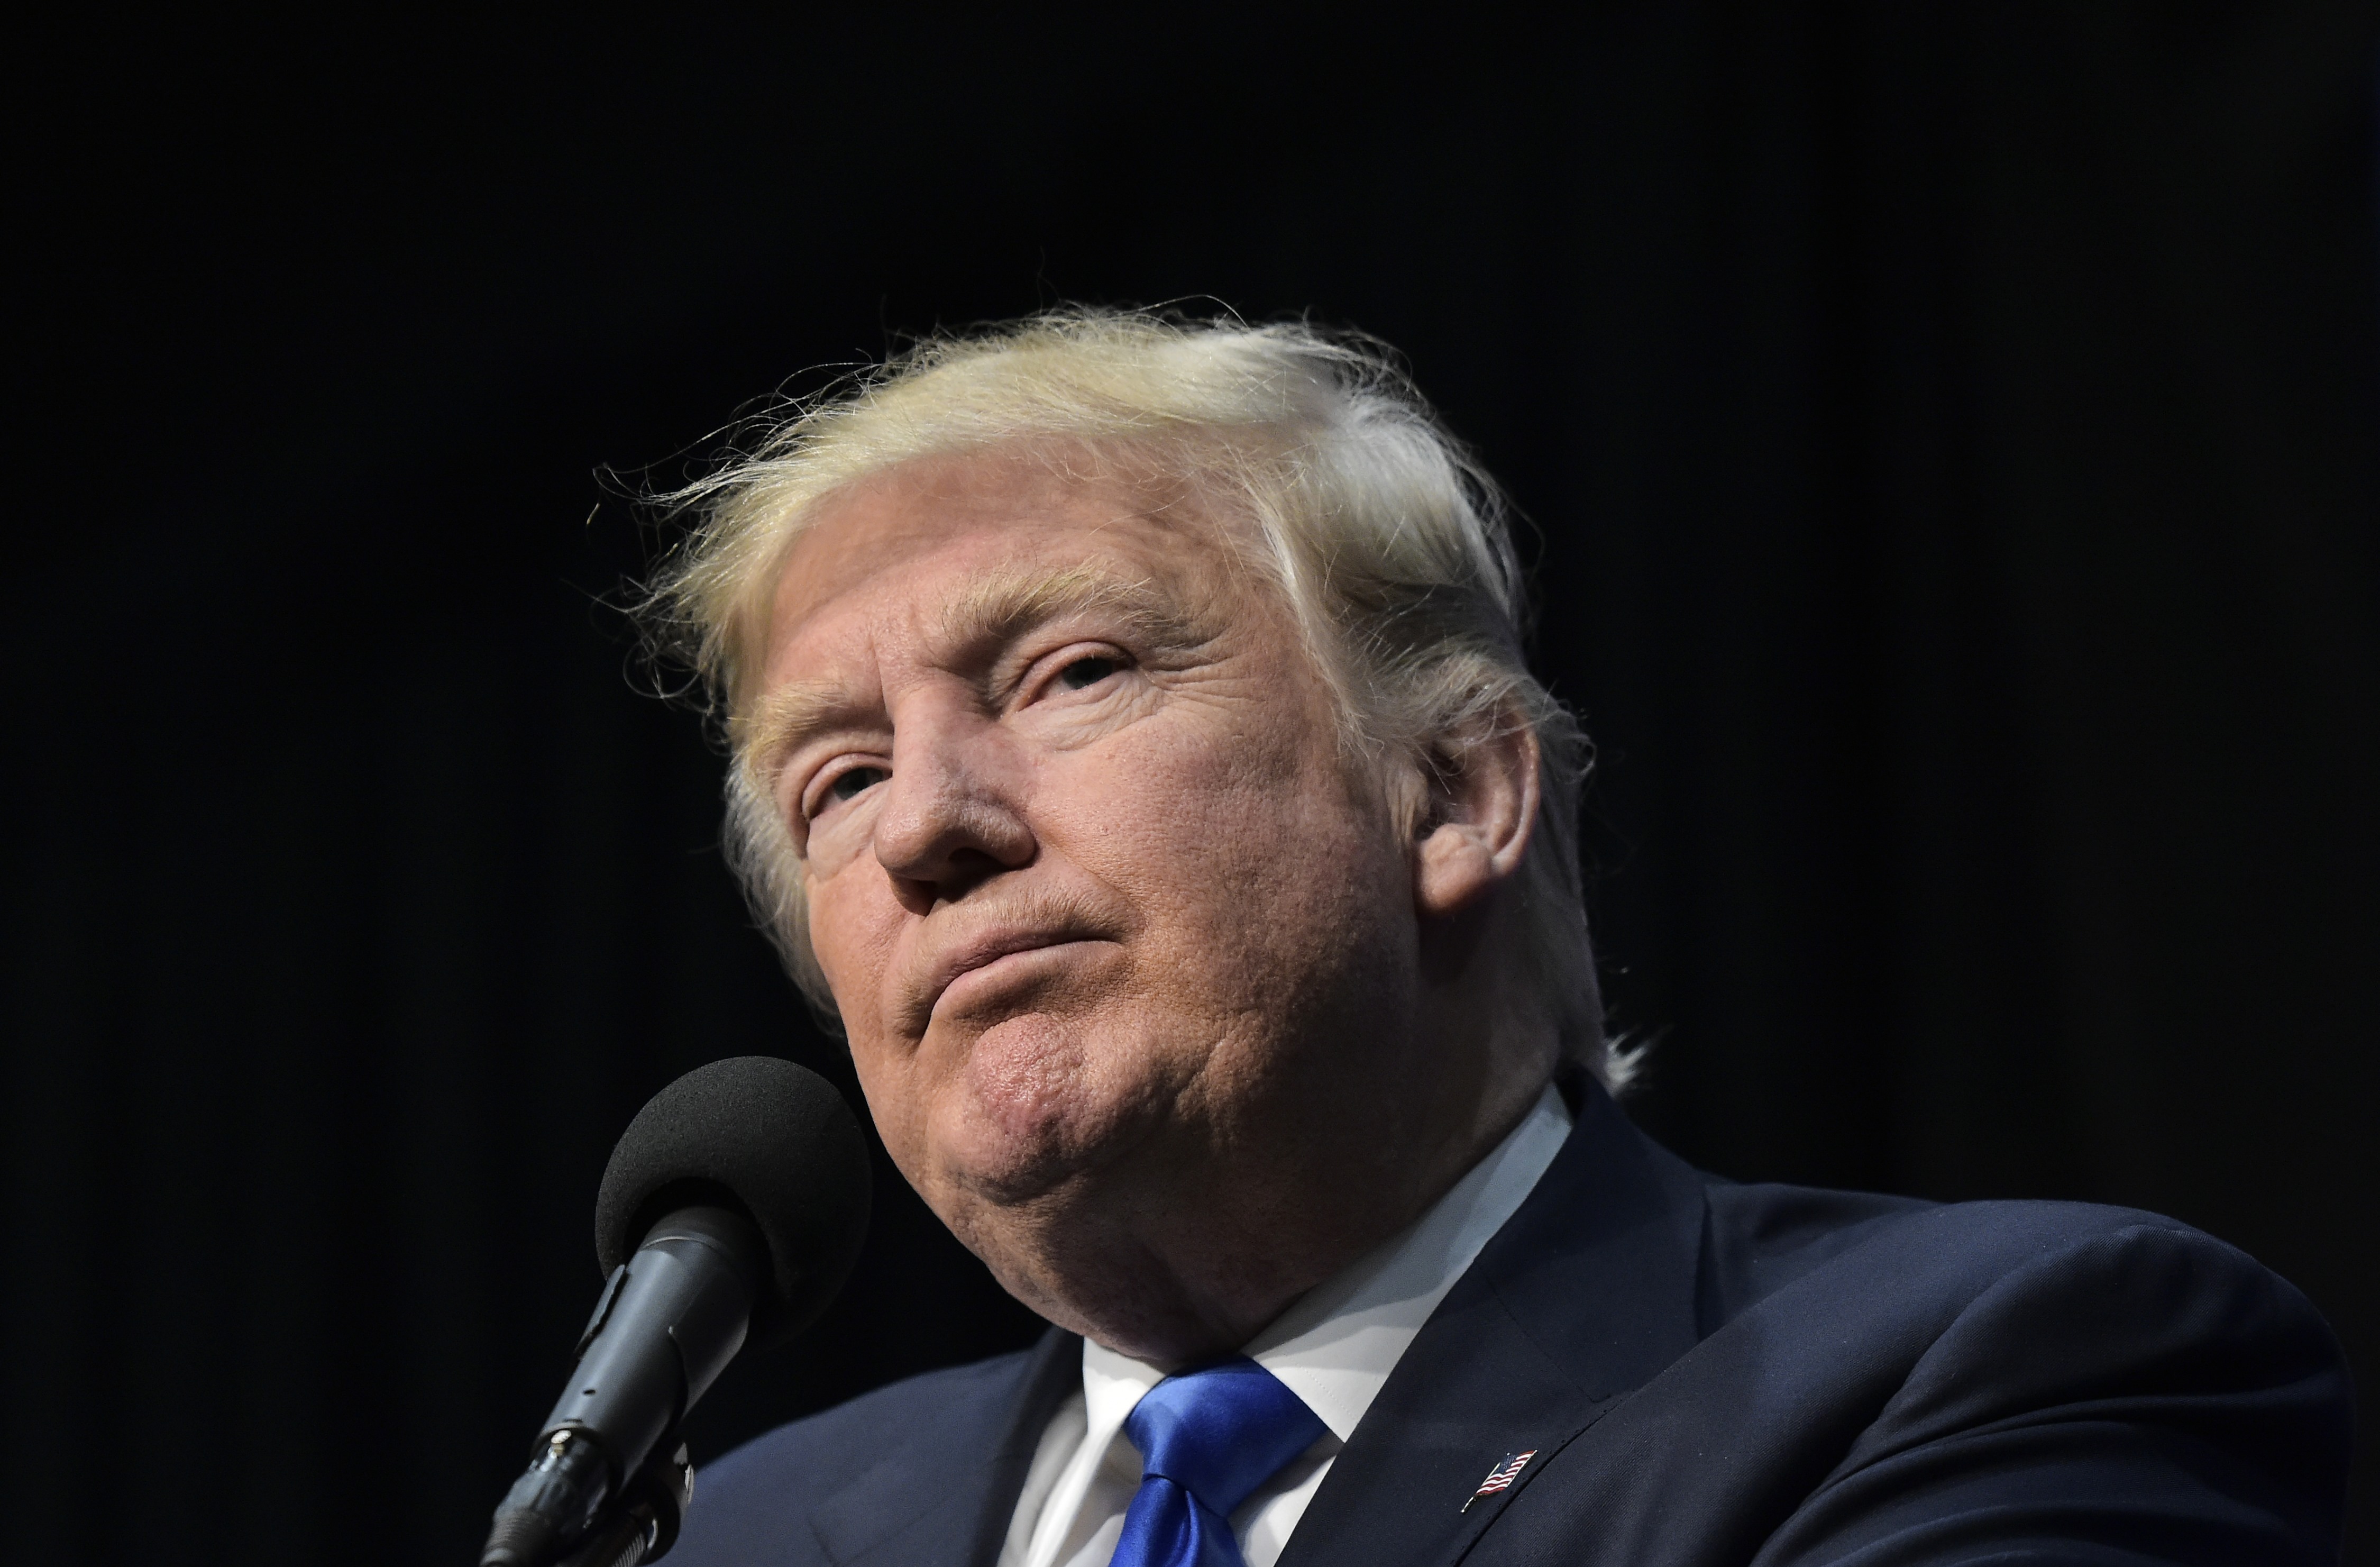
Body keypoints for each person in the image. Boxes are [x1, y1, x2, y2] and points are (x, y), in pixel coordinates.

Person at [639, 312, 2350, 1567]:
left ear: (1451, 788)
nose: (927, 824)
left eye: (1071, 674)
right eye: (838, 779)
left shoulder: (1990, 1370)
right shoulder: (741, 1537)